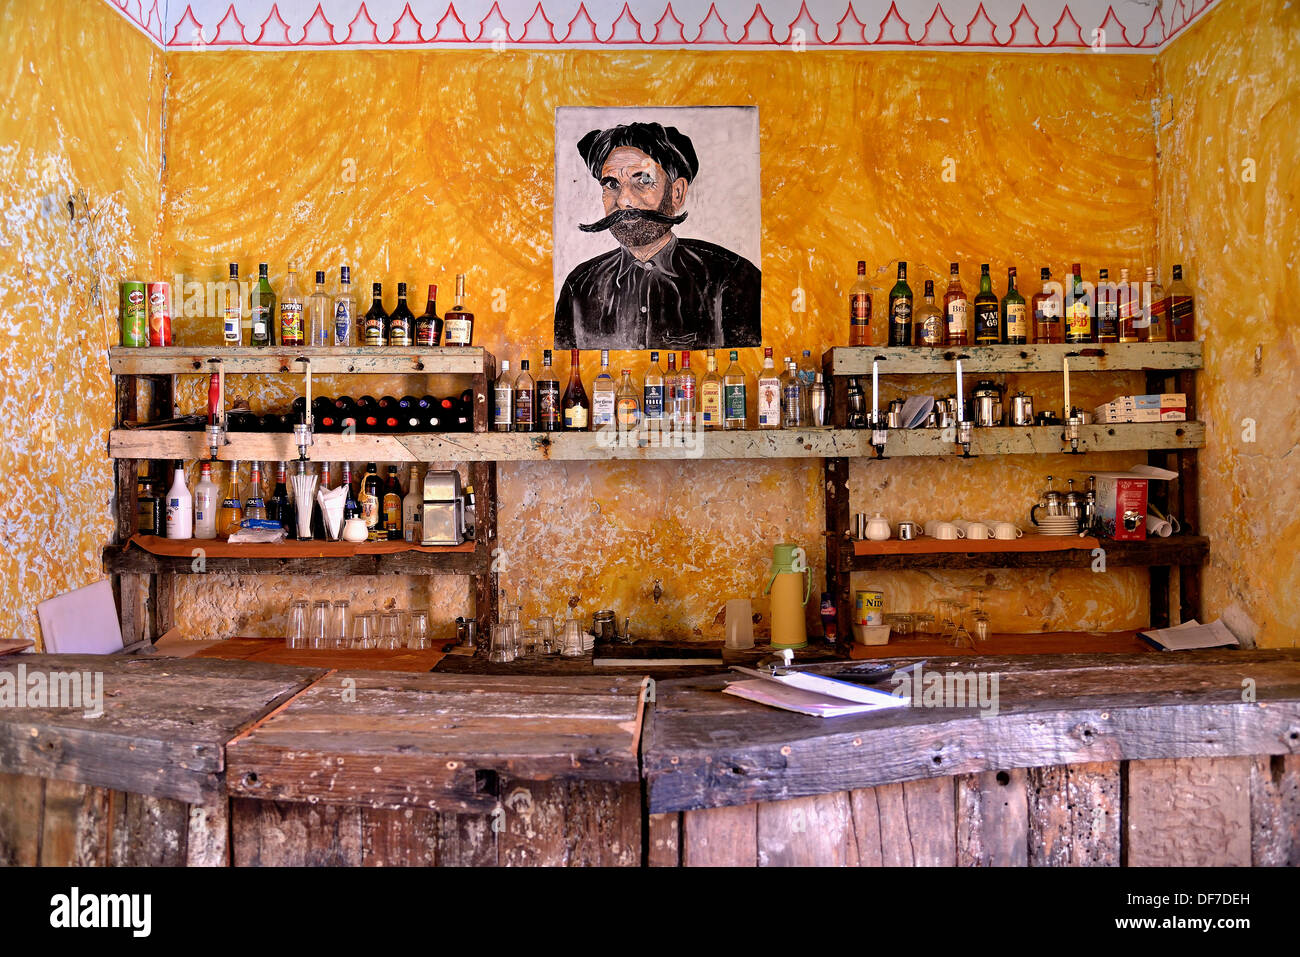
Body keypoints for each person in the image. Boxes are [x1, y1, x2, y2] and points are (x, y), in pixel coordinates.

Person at [554, 121, 761, 350]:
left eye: (643, 180)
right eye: (612, 184)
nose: (624, 201)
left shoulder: (731, 277)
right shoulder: (579, 286)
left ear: (676, 193)